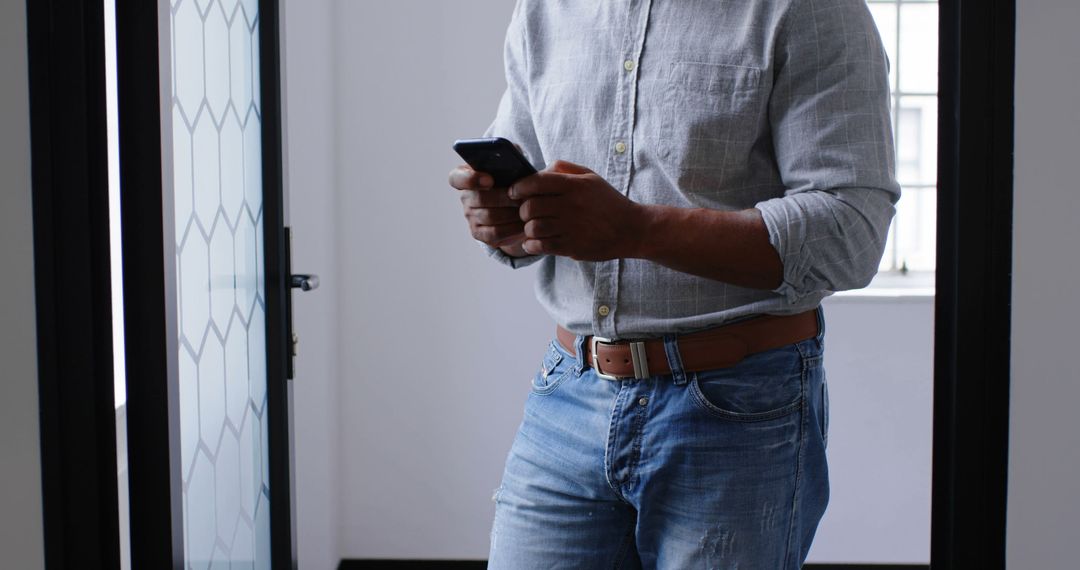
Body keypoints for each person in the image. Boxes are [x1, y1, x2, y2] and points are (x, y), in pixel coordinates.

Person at [448, 0, 898, 567]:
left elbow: (849, 232)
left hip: (738, 409)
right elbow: (530, 183)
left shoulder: (809, 9)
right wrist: (504, 219)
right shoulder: (545, 10)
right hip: (567, 395)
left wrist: (637, 230)